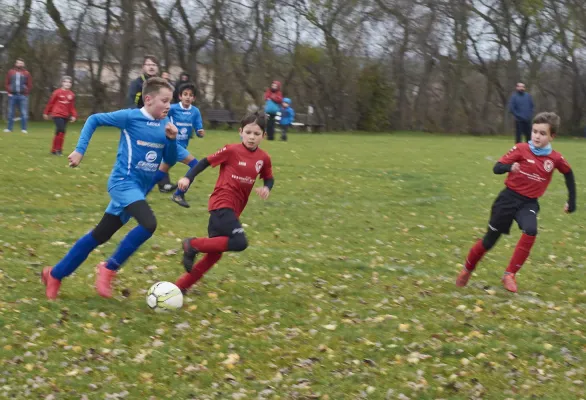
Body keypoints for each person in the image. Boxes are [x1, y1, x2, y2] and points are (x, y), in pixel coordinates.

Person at [41, 78, 178, 300]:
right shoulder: (130, 117)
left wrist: (172, 139)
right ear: (149, 99)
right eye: (164, 100)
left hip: (138, 190)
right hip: (122, 183)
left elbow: (170, 159)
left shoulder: (167, 123)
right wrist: (79, 150)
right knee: (149, 223)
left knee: (99, 235)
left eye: (170, 101)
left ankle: (54, 274)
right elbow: (94, 120)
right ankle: (109, 268)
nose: (168, 106)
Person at [456, 112, 576, 293]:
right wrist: (509, 167)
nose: (536, 136)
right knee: (489, 241)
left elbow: (568, 173)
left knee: (531, 230)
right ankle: (467, 269)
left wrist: (572, 201)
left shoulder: (555, 158)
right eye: (535, 131)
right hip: (507, 199)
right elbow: (496, 168)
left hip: (528, 203)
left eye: (542, 133)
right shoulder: (520, 148)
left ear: (552, 136)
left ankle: (509, 274)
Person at [173, 112, 274, 293]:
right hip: (221, 203)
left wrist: (266, 188)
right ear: (240, 132)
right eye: (248, 132)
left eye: (257, 134)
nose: (252, 137)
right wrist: (188, 178)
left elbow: (269, 178)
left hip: (234, 210)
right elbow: (204, 162)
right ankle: (192, 244)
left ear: (263, 136)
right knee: (240, 242)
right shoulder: (231, 150)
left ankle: (180, 287)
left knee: (214, 255)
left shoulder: (263, 158)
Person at [155, 82, 205, 208]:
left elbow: (199, 128)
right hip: (173, 144)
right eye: (185, 94)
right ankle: (178, 194)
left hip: (182, 146)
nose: (188, 97)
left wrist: (200, 132)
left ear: (194, 98)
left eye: (191, 95)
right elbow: (161, 116)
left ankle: (139, 192)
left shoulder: (195, 111)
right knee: (195, 165)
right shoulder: (173, 108)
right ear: (180, 96)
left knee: (161, 172)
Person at [43, 76, 78, 156]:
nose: (67, 84)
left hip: (65, 115)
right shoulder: (57, 92)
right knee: (61, 130)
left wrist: (74, 115)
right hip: (57, 114)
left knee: (59, 132)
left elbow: (71, 107)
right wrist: (46, 112)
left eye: (69, 82)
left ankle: (53, 150)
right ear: (62, 83)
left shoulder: (71, 94)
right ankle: (59, 150)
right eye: (65, 82)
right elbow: (50, 103)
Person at [4, 58, 33, 133]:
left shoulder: (26, 73)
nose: (19, 64)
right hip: (12, 95)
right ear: (15, 64)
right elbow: (7, 83)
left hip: (23, 96)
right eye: (18, 63)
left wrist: (26, 93)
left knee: (24, 113)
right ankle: (9, 129)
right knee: (11, 112)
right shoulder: (11, 72)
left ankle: (24, 129)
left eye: (21, 63)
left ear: (23, 64)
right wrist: (9, 92)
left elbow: (29, 85)